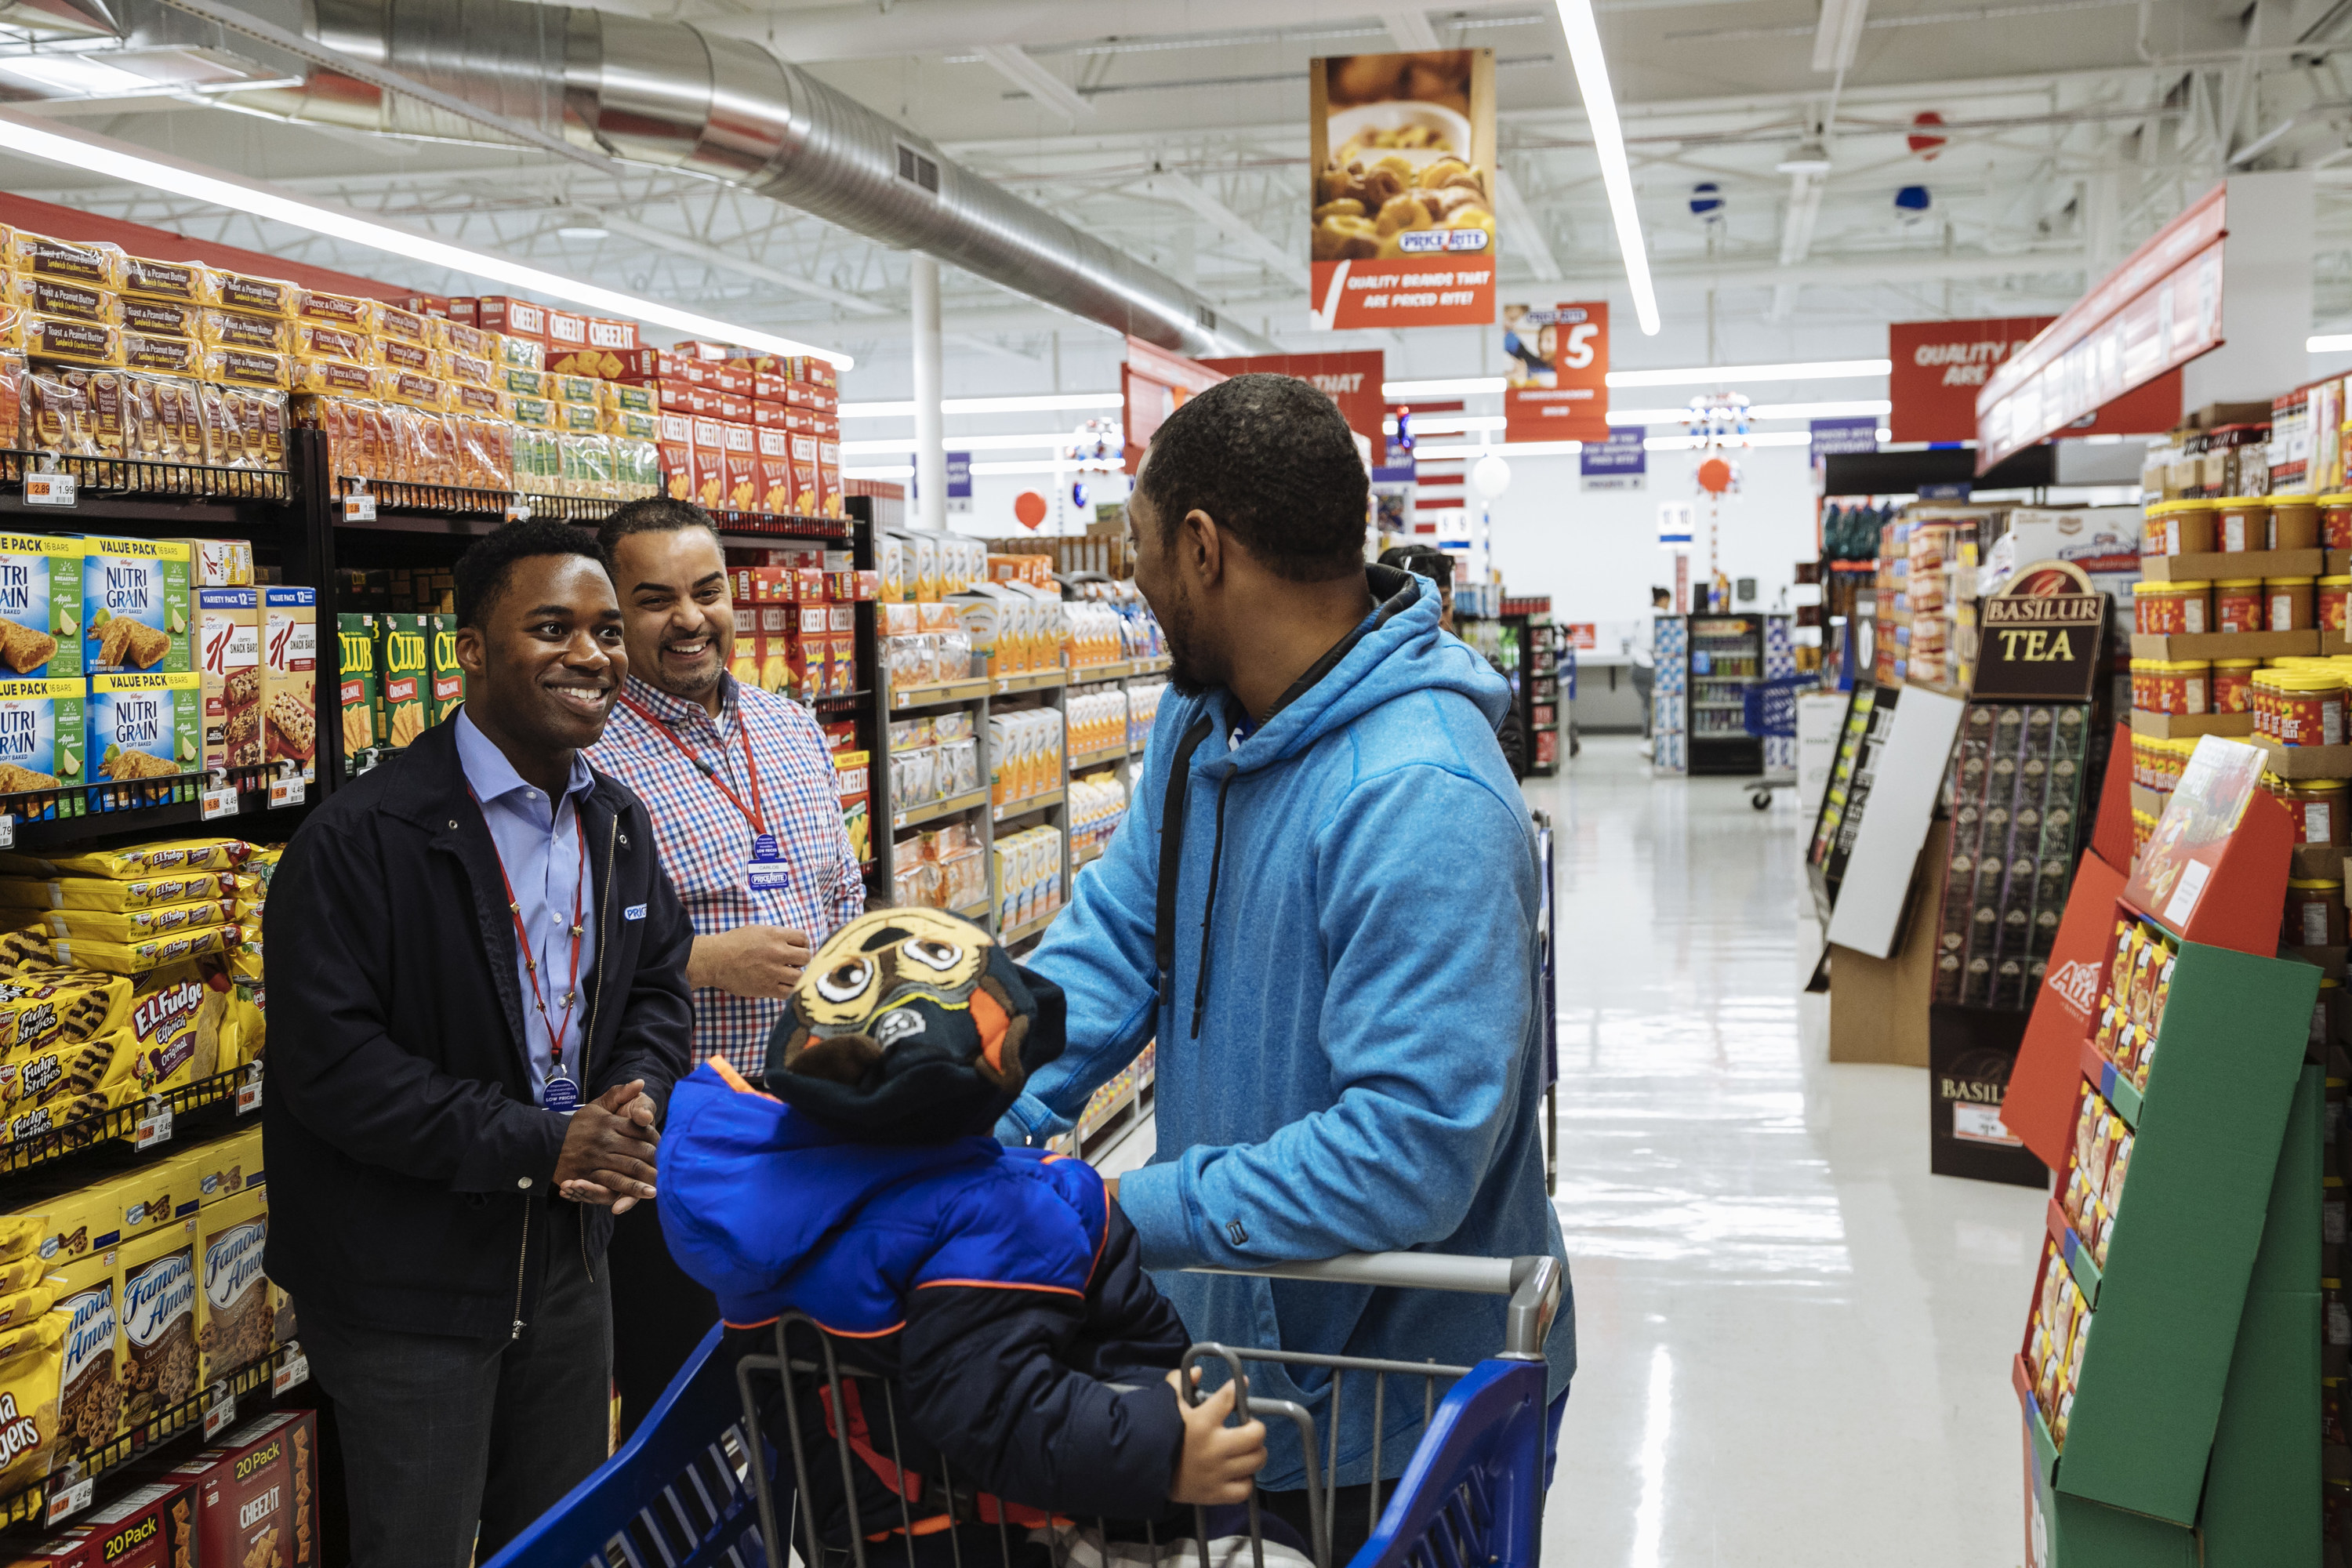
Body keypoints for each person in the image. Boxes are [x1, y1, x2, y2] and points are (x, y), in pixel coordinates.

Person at [996, 373, 1573, 1563]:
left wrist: (1105, 1209)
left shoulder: (1420, 797)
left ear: (1202, 550)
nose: (1138, 591)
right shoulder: (1207, 723)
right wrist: (971, 1104)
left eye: (1143, 555)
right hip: (1253, 1357)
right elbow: (1114, 938)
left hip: (1403, 1402)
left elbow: (1408, 1150)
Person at [263, 518, 696, 1567]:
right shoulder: (361, 838)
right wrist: (540, 1143)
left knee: (553, 1544)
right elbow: (335, 1071)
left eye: (603, 630)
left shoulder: (619, 824)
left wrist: (635, 1095)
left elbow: (656, 988)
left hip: (565, 1267)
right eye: (552, 628)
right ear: (469, 651)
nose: (590, 654)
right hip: (407, 1288)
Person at [660, 907, 1273, 1566]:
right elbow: (996, 1408)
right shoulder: (991, 1223)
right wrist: (1164, 1455)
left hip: (878, 1528)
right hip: (989, 1534)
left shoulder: (792, 1192)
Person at [586, 495, 869, 1433]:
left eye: (707, 591)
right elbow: (562, 956)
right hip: (683, 1147)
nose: (689, 619)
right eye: (656, 598)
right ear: (615, 614)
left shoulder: (791, 726)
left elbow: (842, 892)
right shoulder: (590, 756)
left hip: (812, 1120)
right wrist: (707, 959)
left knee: (813, 1384)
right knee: (691, 1397)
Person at [1375, 543, 1528, 779]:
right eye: (1415, 609)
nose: (1434, 619)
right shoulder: (1374, 679)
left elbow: (1510, 760)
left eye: (1443, 606)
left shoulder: (1484, 674)